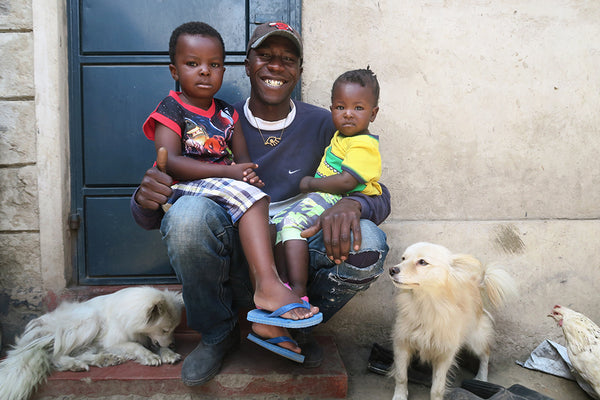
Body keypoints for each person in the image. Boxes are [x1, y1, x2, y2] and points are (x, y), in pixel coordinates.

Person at [131, 21, 390, 386]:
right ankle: (219, 334)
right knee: (188, 216)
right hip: (237, 257)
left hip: (299, 243)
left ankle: (296, 325)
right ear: (247, 64)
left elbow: (375, 186)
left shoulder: (327, 120)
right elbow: (161, 196)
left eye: (288, 59)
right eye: (265, 56)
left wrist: (355, 205)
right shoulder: (217, 119)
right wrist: (145, 200)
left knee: (369, 242)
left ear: (299, 71)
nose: (276, 66)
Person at [142, 21, 318, 326]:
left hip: (226, 188)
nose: (205, 71)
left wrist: (248, 177)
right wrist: (230, 172)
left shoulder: (226, 114)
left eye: (214, 65)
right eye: (193, 64)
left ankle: (272, 313)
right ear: (174, 71)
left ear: (226, 69)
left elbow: (244, 162)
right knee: (223, 209)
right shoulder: (172, 107)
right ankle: (258, 293)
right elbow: (169, 161)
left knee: (256, 196)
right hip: (191, 190)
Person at [270, 68, 382, 310]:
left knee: (291, 224)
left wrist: (310, 183)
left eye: (358, 108)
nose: (348, 114)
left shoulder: (363, 144)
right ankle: (282, 283)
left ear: (373, 114)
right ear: (332, 109)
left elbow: (346, 182)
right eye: (341, 107)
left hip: (336, 197)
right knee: (277, 222)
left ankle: (299, 292)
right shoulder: (342, 138)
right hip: (326, 195)